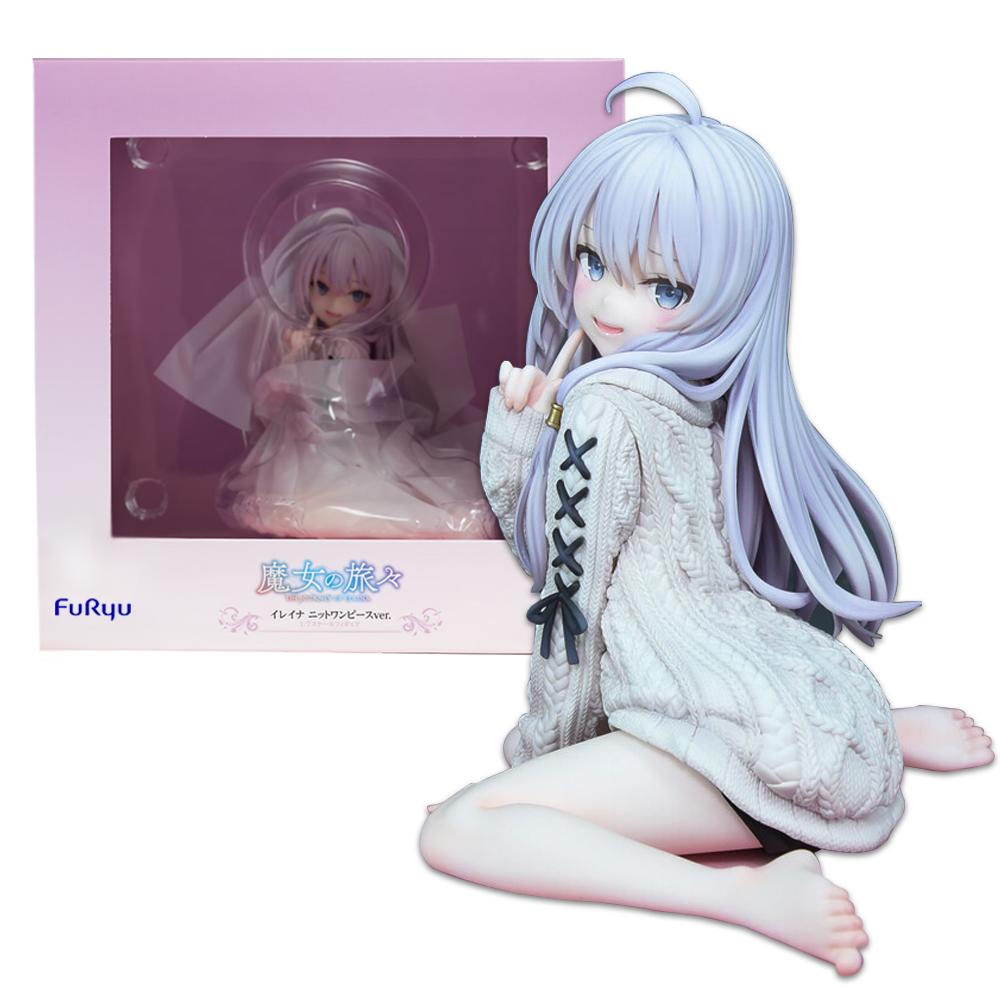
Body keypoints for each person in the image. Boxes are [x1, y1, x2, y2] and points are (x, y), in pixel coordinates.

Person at [419, 72, 993, 975]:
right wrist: (526, 435)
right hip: (810, 712)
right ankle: (885, 725)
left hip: (731, 758)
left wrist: (537, 765)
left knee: (459, 829)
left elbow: (566, 601)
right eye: (593, 260)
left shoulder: (602, 406)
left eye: (662, 284)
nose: (606, 302)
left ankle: (747, 894)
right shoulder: (705, 394)